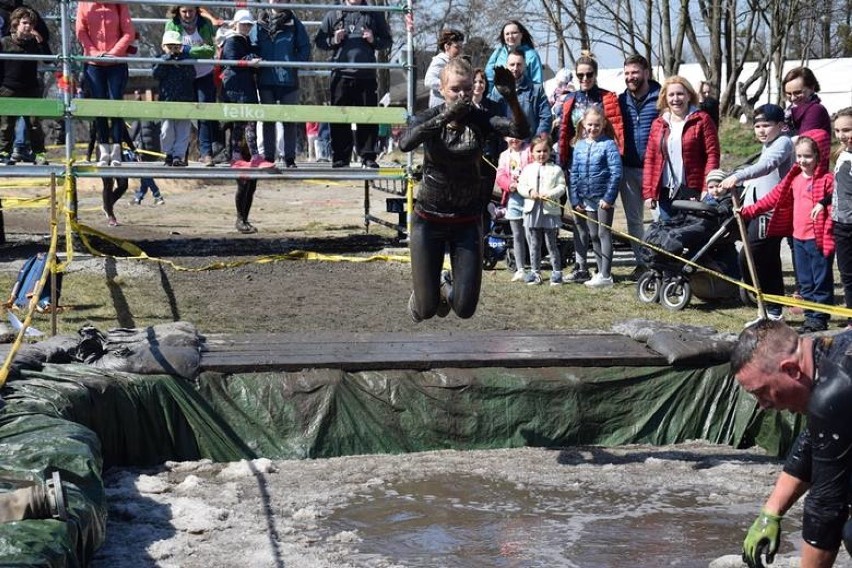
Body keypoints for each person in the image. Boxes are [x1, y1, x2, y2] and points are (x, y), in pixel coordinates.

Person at [398, 59, 529, 322]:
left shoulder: (479, 119)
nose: (462, 95)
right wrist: (447, 115)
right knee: (425, 310)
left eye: (467, 90)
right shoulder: (429, 117)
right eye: (456, 89)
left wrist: (512, 99)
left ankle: (446, 284)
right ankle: (425, 295)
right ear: (443, 89)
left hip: (467, 221)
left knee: (465, 309)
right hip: (429, 220)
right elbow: (406, 143)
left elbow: (520, 131)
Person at [730, 320, 852, 568]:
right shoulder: (829, 356)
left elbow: (826, 506)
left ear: (792, 371)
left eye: (762, 392)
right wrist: (771, 513)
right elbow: (814, 440)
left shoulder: (838, 387)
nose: (763, 405)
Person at [739, 130, 834, 333]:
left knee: (820, 281)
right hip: (798, 237)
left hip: (817, 240)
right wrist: (748, 211)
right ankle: (811, 318)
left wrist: (823, 207)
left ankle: (820, 318)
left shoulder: (827, 181)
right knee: (805, 281)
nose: (802, 161)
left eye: (808, 156)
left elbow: (835, 202)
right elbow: (773, 197)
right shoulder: (795, 178)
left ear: (819, 156)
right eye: (799, 156)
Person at [720, 103, 795, 324]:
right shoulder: (770, 143)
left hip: (770, 212)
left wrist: (739, 176)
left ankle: (770, 307)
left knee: (750, 257)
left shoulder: (783, 143)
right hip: (757, 210)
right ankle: (772, 311)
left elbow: (767, 166)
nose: (761, 130)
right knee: (769, 261)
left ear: (781, 125)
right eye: (757, 126)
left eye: (766, 125)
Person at [314, 0, 392, 169]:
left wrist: (373, 40)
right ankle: (341, 158)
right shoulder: (334, 13)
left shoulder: (373, 13)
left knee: (368, 117)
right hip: (340, 75)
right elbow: (319, 41)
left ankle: (368, 157)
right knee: (339, 118)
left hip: (366, 74)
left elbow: (387, 41)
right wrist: (333, 39)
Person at [642, 75, 720, 221]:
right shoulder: (658, 124)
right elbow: (651, 159)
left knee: (692, 236)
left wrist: (706, 187)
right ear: (665, 98)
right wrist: (649, 193)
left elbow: (712, 154)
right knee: (669, 238)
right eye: (671, 95)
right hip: (666, 193)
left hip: (693, 191)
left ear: (689, 96)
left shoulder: (702, 120)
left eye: (680, 94)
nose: (675, 99)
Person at [76, 1, 135, 167]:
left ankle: (117, 149)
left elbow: (128, 32)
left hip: (117, 63)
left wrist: (113, 54)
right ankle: (103, 150)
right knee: (99, 106)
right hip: (93, 64)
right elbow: (81, 32)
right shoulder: (84, 4)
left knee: (115, 104)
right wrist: (94, 53)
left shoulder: (119, 4)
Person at [569, 107, 622, 288]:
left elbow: (616, 173)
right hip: (586, 198)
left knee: (603, 233)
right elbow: (574, 173)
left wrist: (608, 197)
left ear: (604, 124)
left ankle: (606, 275)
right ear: (583, 124)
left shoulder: (609, 144)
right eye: (590, 124)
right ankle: (600, 271)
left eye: (597, 125)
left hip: (603, 198)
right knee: (593, 234)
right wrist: (575, 199)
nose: (593, 128)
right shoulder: (579, 146)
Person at [618, 54, 661, 279]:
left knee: (660, 218)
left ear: (646, 72)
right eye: (626, 73)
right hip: (628, 168)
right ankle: (643, 264)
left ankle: (663, 263)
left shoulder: (662, 97)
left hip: (656, 169)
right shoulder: (619, 101)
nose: (630, 77)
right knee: (634, 220)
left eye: (634, 72)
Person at [256, 0, 311, 169]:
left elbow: (305, 48)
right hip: (265, 78)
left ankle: (290, 158)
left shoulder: (294, 23)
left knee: (289, 120)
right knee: (268, 120)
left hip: (288, 79)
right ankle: (269, 158)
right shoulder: (259, 23)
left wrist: (291, 63)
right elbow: (252, 46)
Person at [219, 10, 272, 168]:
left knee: (246, 122)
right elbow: (232, 60)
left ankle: (243, 155)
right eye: (244, 24)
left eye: (249, 25)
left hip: (244, 85)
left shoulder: (244, 39)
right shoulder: (232, 40)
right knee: (243, 122)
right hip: (236, 86)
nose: (247, 27)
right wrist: (250, 61)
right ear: (236, 24)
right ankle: (247, 156)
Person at [557, 51, 625, 173]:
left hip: (601, 162)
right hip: (576, 160)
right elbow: (563, 133)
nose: (585, 79)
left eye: (589, 74)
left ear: (596, 74)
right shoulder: (569, 99)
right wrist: (561, 161)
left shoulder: (608, 98)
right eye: (580, 75)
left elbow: (616, 131)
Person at [0, 7, 49, 166]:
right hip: (8, 88)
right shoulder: (5, 42)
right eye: (24, 23)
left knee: (34, 124)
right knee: (6, 124)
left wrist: (41, 41)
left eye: (30, 24)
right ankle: (3, 153)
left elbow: (48, 60)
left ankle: (39, 153)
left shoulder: (34, 42)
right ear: (16, 23)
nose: (28, 26)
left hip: (30, 89)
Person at [518, 134, 566, 286]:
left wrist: (549, 194)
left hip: (549, 211)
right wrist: (530, 192)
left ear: (550, 151)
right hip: (532, 211)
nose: (541, 154)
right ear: (532, 152)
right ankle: (535, 272)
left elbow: (561, 187)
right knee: (534, 243)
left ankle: (557, 273)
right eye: (538, 151)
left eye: (545, 151)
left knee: (551, 243)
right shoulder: (527, 169)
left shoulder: (556, 169)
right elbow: (521, 186)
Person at [153, 29, 196, 167]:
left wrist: (182, 63)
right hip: (167, 100)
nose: (173, 50)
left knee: (182, 130)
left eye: (176, 47)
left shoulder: (186, 60)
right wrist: (166, 61)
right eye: (169, 47)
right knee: (166, 129)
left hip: (185, 99)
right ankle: (168, 153)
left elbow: (192, 75)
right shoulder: (160, 59)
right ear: (163, 46)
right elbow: (156, 74)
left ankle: (178, 156)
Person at [488, 49, 551, 143]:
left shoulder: (536, 90)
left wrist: (537, 141)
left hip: (529, 146)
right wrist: (505, 137)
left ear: (525, 65)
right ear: (506, 66)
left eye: (519, 64)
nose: (515, 68)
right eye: (512, 64)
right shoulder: (497, 91)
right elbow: (493, 117)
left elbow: (545, 117)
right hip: (505, 146)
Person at [495, 135, 532, 282]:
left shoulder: (529, 151)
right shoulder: (504, 156)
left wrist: (525, 184)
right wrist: (509, 184)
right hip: (513, 197)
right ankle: (520, 268)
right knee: (517, 235)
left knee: (530, 233)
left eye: (517, 136)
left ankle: (534, 267)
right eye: (511, 137)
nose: (514, 140)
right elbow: (500, 175)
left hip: (529, 197)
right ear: (505, 138)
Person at [831, 108, 852, 328]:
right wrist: (823, 202)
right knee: (847, 275)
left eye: (847, 130)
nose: (841, 135)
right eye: (837, 130)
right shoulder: (842, 155)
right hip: (841, 223)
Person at [484, 20, 542, 85]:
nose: (510, 36)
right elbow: (488, 76)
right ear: (503, 36)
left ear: (521, 35)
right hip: (498, 94)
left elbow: (537, 82)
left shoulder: (532, 55)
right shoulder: (498, 52)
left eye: (514, 33)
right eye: (507, 34)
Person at [782, 67, 831, 137]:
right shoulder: (788, 112)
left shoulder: (816, 110)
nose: (793, 98)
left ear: (811, 88)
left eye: (798, 92)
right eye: (789, 94)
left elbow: (803, 142)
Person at [424, 29, 464, 109]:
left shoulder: (456, 62)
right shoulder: (440, 61)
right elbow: (429, 81)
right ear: (446, 47)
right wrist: (450, 86)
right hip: (439, 106)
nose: (460, 50)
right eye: (456, 47)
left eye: (461, 47)